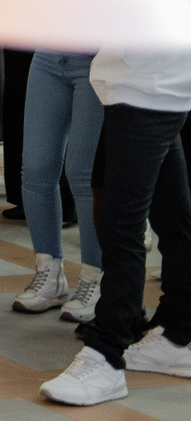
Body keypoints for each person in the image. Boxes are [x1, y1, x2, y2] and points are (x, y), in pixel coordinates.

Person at [40, 40, 191, 401]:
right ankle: (179, 334)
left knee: (120, 225)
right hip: (140, 82)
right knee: (173, 217)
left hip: (151, 85)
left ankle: (106, 354)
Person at [12, 46, 105, 321]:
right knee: (36, 167)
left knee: (83, 173)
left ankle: (95, 278)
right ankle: (49, 274)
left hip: (97, 59)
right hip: (48, 55)